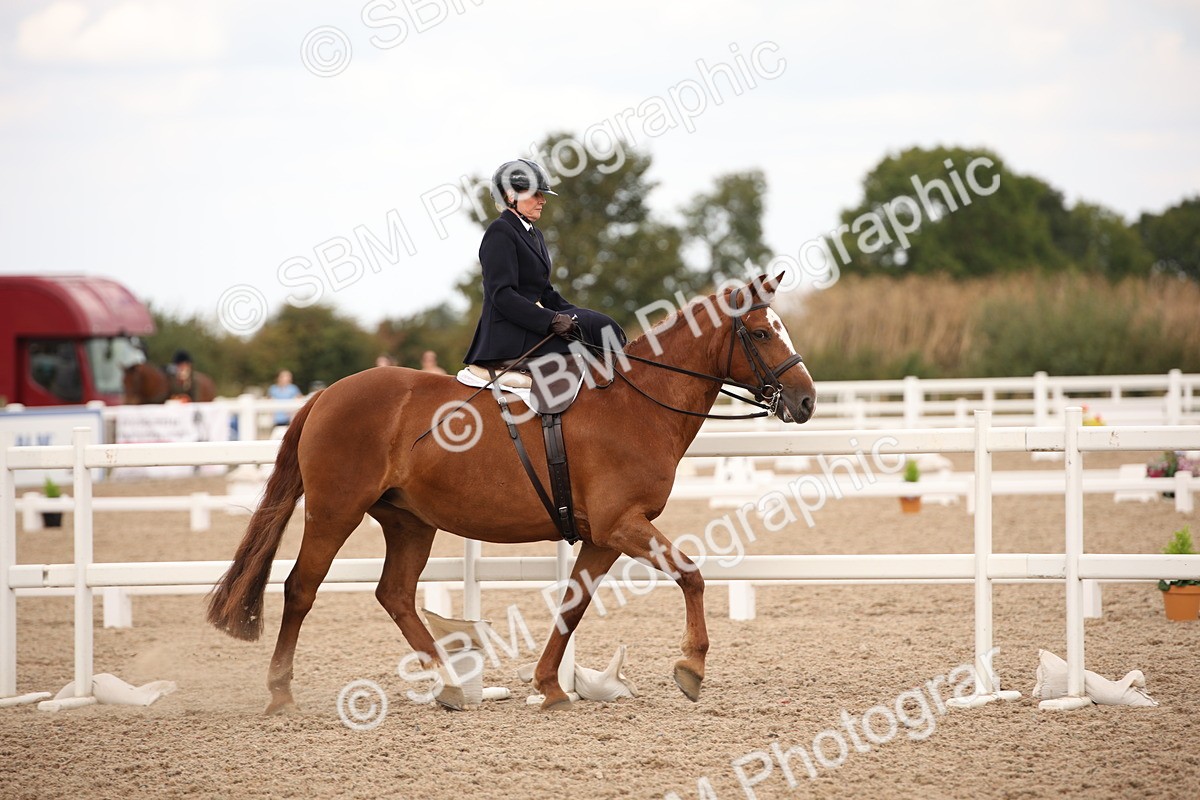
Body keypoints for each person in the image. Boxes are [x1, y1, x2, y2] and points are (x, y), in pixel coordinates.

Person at [463, 159, 626, 371]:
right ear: (512, 196)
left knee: (602, 326)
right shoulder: (500, 231)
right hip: (508, 335)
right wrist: (550, 320)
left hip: (529, 326)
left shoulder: (534, 234)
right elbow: (502, 295)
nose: (543, 200)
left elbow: (546, 293)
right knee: (584, 343)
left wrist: (578, 315)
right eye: (536, 194)